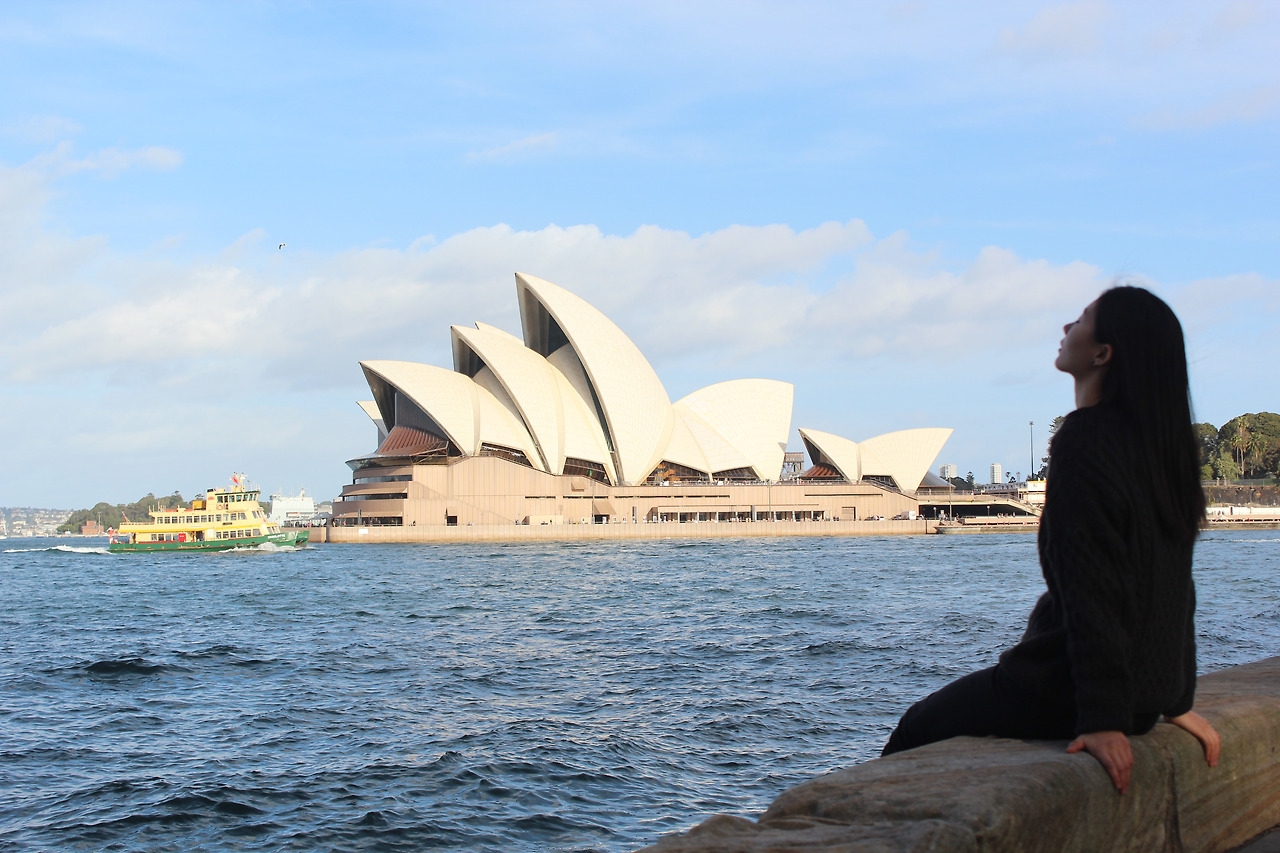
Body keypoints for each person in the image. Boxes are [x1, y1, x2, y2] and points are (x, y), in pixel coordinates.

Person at [881, 285, 1221, 795]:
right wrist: (1175, 700)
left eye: (1081, 319)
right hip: (1143, 698)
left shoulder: (1086, 439)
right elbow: (1175, 584)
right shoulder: (1161, 450)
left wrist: (1101, 718)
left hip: (1065, 689)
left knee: (916, 727)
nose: (1066, 328)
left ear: (1103, 353)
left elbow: (1090, 586)